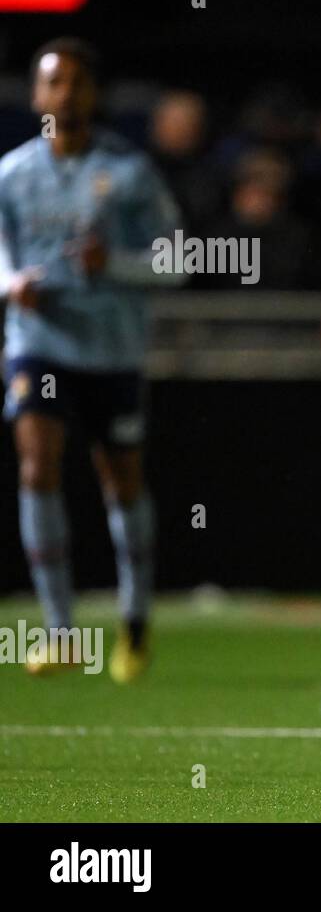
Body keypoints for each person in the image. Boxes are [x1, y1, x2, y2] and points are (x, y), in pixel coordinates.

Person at [1, 38, 183, 682]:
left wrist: (122, 265)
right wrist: (10, 284)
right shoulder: (12, 174)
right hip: (39, 342)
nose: (65, 95)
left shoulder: (129, 172)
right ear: (36, 94)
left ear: (92, 95)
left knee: (121, 482)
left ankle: (133, 621)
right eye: (54, 83)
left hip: (111, 350)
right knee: (36, 466)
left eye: (76, 84)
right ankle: (60, 630)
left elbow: (178, 258)